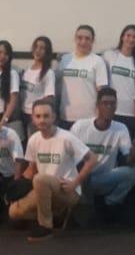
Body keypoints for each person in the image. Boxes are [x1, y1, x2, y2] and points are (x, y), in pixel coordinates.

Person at [10, 99, 96, 241]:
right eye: (38, 116)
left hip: (66, 189)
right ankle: (56, 214)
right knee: (13, 212)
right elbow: (31, 170)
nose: (42, 120)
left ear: (54, 117)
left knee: (40, 178)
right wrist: (15, 187)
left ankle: (45, 227)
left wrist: (75, 183)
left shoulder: (66, 137)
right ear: (32, 118)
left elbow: (92, 159)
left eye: (46, 116)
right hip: (42, 188)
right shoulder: (33, 140)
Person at [70, 87, 135, 222]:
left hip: (104, 178)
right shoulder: (80, 126)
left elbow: (128, 159)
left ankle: (110, 204)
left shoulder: (121, 128)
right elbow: (70, 156)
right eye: (105, 103)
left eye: (112, 103)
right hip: (80, 178)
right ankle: (85, 208)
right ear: (97, 105)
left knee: (134, 172)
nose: (109, 106)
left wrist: (134, 153)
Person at [101, 24, 135, 140]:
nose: (131, 39)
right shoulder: (109, 55)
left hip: (131, 114)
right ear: (122, 37)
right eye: (128, 35)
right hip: (111, 111)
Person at [57, 24, 109, 129]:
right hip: (66, 117)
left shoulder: (97, 61)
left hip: (89, 119)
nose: (83, 42)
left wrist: (101, 115)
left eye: (87, 38)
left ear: (92, 40)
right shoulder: (65, 59)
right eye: (79, 38)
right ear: (75, 39)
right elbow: (58, 87)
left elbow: (102, 92)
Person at [20, 36, 57, 139]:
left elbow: (49, 98)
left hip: (36, 118)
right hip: (23, 115)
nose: (38, 50)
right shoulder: (27, 70)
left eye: (42, 48)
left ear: (47, 52)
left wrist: (37, 115)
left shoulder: (48, 73)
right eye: (36, 47)